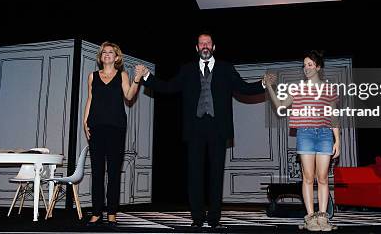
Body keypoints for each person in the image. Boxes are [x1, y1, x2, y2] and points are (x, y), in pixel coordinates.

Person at [137, 32, 266, 228]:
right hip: (194, 129)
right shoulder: (187, 69)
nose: (205, 46)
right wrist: (148, 77)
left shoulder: (225, 68)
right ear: (197, 48)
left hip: (218, 129)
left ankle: (214, 219)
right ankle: (197, 218)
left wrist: (263, 84)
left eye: (208, 43)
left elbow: (244, 88)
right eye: (201, 43)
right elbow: (168, 87)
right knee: (194, 176)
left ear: (213, 47)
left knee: (216, 175)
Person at [264, 50, 340, 232]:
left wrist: (338, 140)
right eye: (304, 65)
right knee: (307, 177)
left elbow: (334, 116)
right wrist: (269, 87)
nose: (306, 68)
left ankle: (323, 218)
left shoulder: (329, 89)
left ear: (318, 67)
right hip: (305, 135)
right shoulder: (297, 89)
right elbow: (281, 106)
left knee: (322, 178)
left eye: (310, 65)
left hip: (324, 135)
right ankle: (310, 218)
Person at [82, 42, 143, 227]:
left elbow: (129, 96)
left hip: (116, 128)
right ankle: (97, 212)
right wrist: (85, 122)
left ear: (117, 57)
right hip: (96, 127)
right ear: (101, 57)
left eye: (111, 52)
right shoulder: (92, 76)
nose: (107, 54)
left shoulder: (122, 75)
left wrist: (137, 78)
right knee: (97, 171)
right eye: (104, 52)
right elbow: (90, 99)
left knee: (114, 172)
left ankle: (112, 213)